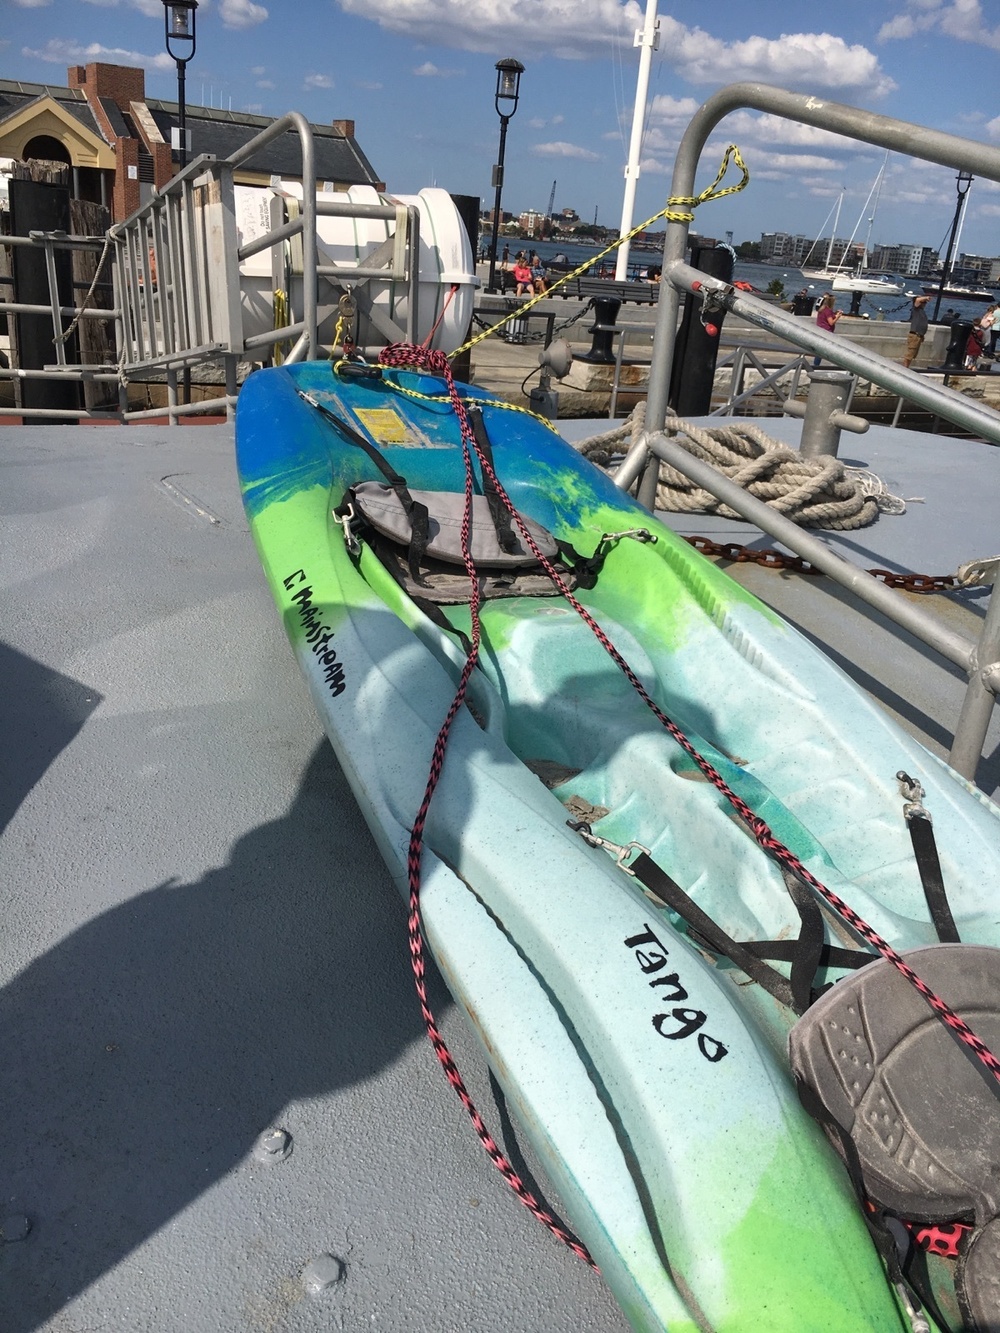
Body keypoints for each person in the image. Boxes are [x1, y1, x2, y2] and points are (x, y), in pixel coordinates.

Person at [812, 293, 841, 367]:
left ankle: (816, 364)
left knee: (820, 350)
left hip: (820, 330)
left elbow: (826, 318)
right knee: (825, 350)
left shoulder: (822, 309)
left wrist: (835, 314)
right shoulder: (828, 310)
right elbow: (831, 323)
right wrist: (837, 317)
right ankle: (817, 365)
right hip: (826, 332)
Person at [902, 294, 930, 369]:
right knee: (909, 354)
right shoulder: (916, 308)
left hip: (919, 335)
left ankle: (906, 367)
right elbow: (917, 300)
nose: (925, 304)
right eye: (923, 302)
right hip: (915, 335)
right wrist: (926, 298)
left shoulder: (921, 311)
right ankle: (904, 369)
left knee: (913, 354)